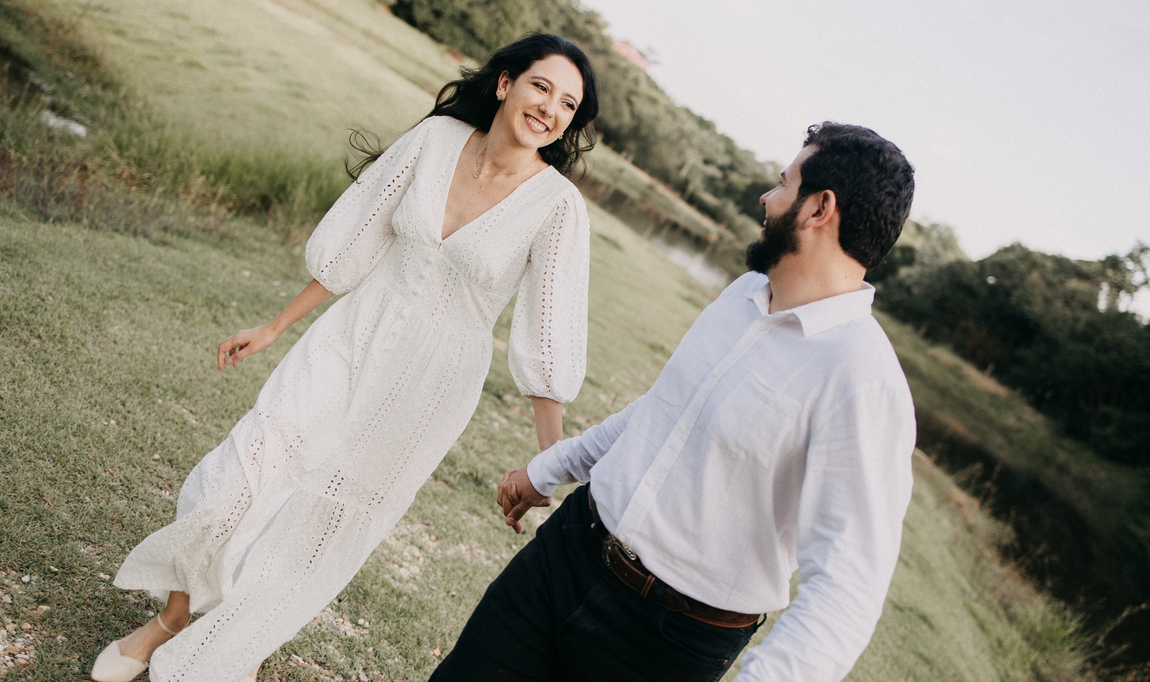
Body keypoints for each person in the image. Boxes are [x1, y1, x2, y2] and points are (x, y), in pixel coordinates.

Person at [89, 34, 599, 682]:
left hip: (428, 389)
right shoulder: (436, 139)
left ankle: (228, 649)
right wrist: (275, 326)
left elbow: (547, 336)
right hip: (349, 339)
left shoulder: (557, 207)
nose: (550, 108)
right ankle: (171, 618)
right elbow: (359, 238)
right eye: (541, 87)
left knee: (320, 528)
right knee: (240, 476)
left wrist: (549, 461)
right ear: (505, 84)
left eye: (568, 104)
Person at [429, 122, 917, 682]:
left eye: (784, 184)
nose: (767, 197)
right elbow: (663, 411)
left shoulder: (863, 380)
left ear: (818, 208)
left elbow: (847, 589)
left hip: (667, 644)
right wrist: (549, 470)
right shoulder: (743, 294)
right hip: (567, 553)